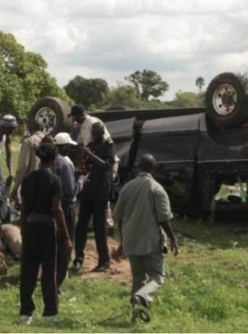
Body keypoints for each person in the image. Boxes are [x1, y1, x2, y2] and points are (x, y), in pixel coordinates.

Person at [114, 154, 179, 323]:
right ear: (154, 169)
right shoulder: (157, 189)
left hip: (131, 240)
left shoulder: (127, 188)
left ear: (138, 167)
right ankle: (142, 296)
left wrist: (123, 240)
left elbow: (119, 217)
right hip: (150, 241)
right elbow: (163, 218)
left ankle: (137, 313)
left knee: (138, 276)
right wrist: (173, 239)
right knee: (158, 276)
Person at [19, 142, 72, 324]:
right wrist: (65, 237)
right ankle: (50, 312)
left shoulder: (27, 179)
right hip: (47, 227)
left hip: (30, 226)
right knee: (49, 270)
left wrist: (24, 233)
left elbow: (24, 210)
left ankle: (26, 312)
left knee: (28, 271)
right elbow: (57, 210)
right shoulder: (54, 180)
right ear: (54, 159)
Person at [71, 121, 115, 273]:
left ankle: (104, 260)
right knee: (81, 225)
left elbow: (107, 166)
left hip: (100, 192)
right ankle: (78, 258)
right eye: (93, 133)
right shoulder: (91, 145)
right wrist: (79, 171)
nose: (94, 136)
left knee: (99, 227)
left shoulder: (108, 146)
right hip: (87, 191)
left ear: (102, 133)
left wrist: (90, 154)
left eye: (96, 133)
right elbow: (86, 165)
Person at [69, 104, 115, 232]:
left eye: (73, 117)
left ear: (78, 116)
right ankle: (104, 224)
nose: (73, 120)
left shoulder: (91, 124)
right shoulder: (85, 124)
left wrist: (86, 161)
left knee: (100, 195)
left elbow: (91, 147)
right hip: (96, 158)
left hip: (101, 159)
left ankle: (105, 225)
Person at [52, 132, 83, 288]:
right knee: (66, 241)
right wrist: (81, 181)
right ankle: (60, 278)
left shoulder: (50, 161)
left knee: (54, 243)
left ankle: (51, 275)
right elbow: (71, 191)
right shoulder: (65, 163)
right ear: (63, 147)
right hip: (65, 206)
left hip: (50, 207)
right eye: (68, 147)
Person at [12, 123, 46, 211]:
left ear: (31, 129)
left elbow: (24, 165)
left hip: (31, 182)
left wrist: (16, 187)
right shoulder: (49, 140)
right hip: (46, 180)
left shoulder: (29, 141)